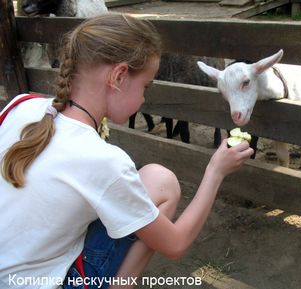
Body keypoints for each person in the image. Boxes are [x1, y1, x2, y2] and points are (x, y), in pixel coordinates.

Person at [0, 14, 253, 289]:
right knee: (162, 182)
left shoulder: (21, 104)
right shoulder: (104, 161)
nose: (144, 98)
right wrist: (215, 171)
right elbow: (176, 244)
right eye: (146, 86)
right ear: (119, 76)